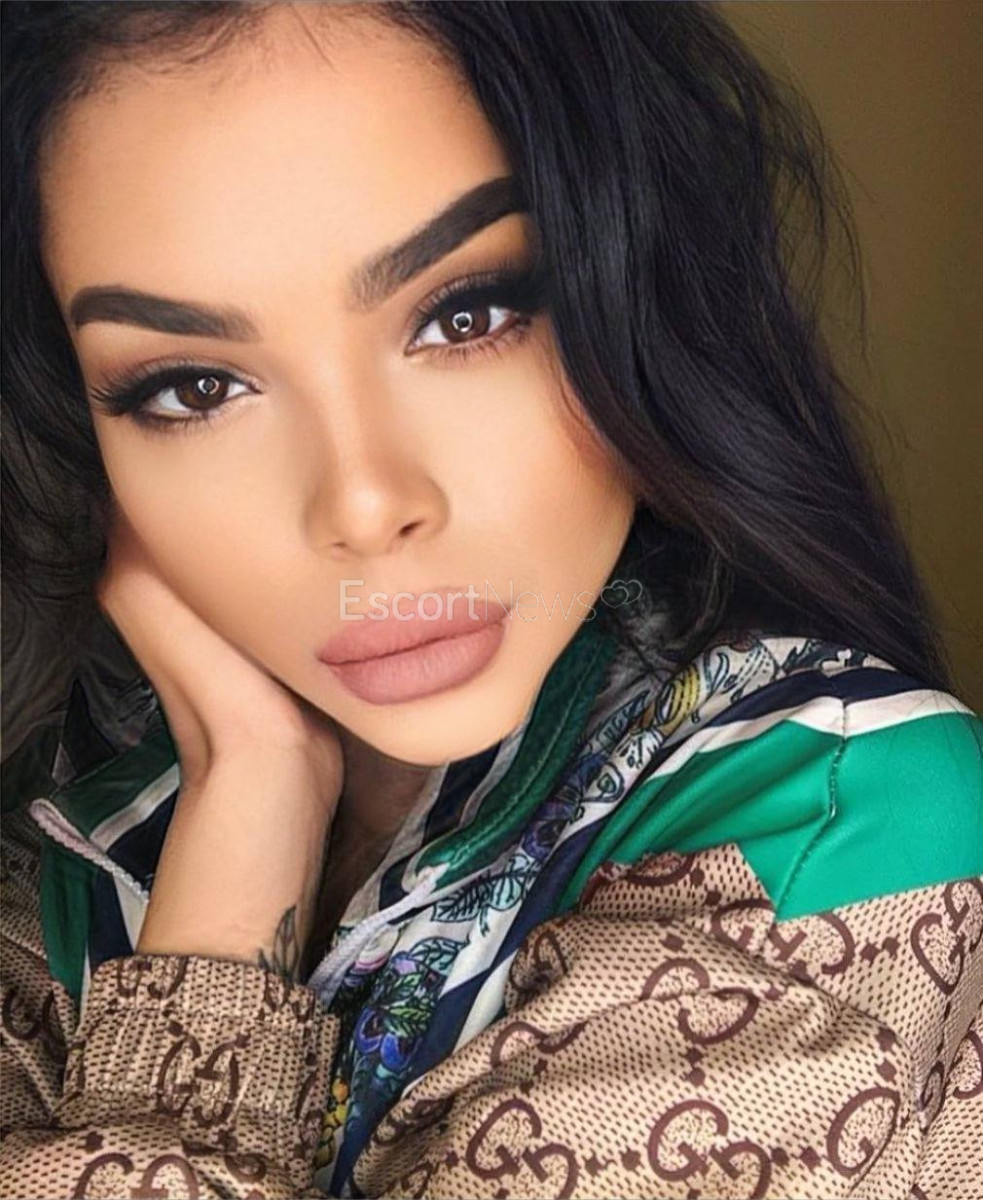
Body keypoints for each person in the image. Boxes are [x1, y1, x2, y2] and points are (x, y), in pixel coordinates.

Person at [1, 2, 980, 1197]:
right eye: (194, 388)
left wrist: (198, 993)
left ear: (632, 288)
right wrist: (248, 798)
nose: (365, 503)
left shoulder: (835, 827)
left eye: (463, 316)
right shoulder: (61, 836)